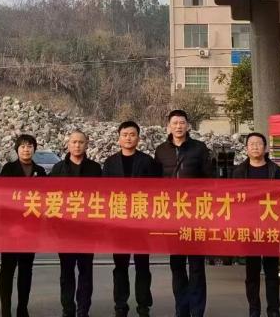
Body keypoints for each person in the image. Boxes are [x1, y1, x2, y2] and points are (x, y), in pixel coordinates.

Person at [154, 110, 215, 317]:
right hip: (172, 216)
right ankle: (182, 309)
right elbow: (155, 183)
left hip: (195, 214)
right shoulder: (161, 150)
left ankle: (197, 311)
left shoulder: (199, 148)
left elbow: (210, 179)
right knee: (177, 265)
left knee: (196, 266)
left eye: (182, 123)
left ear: (188, 125)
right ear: (169, 126)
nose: (178, 126)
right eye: (175, 123)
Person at [102, 120, 162, 317]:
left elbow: (157, 192)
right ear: (119, 138)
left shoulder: (148, 162)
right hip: (119, 223)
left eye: (132, 134)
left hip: (141, 222)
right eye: (125, 135)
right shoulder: (110, 163)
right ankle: (120, 304)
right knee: (120, 267)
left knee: (142, 265)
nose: (128, 138)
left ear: (138, 138)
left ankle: (143, 305)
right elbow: (103, 193)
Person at [231, 133, 280, 317]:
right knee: (252, 273)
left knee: (272, 273)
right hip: (249, 229)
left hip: (271, 228)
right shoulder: (239, 172)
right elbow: (233, 200)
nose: (255, 147)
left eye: (258, 144)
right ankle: (254, 309)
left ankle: (274, 310)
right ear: (246, 148)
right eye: (251, 144)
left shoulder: (276, 171)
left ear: (265, 147)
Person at [50, 129, 103, 317]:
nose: (77, 145)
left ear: (86, 144)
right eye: (74, 142)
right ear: (68, 144)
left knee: (86, 272)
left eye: (81, 142)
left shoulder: (95, 169)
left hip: (87, 231)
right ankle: (68, 309)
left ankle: (83, 310)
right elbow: (50, 199)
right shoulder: (58, 169)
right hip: (64, 232)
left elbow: (102, 198)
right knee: (66, 273)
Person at [0, 134, 47, 317]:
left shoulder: (40, 171)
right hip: (10, 229)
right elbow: (2, 198)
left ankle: (22, 308)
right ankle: (6, 310)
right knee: (7, 270)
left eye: (29, 146)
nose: (26, 149)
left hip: (31, 229)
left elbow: (45, 200)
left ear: (35, 149)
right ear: (17, 149)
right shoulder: (8, 169)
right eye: (23, 146)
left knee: (26, 270)